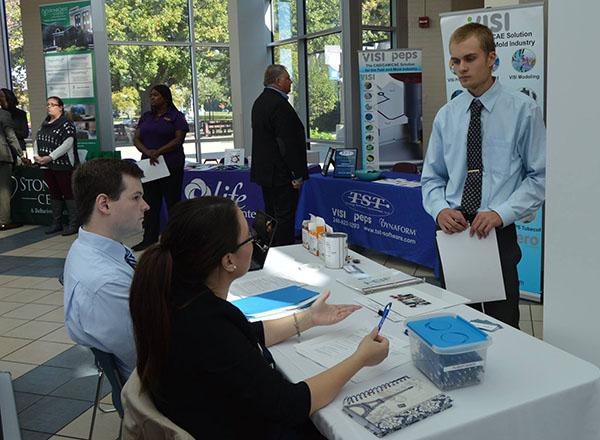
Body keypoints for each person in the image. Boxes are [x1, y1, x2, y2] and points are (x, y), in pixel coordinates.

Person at [129, 197, 389, 439]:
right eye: (248, 237)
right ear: (228, 260)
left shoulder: (180, 300)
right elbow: (291, 404)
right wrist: (360, 358)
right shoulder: (208, 326)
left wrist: (309, 318)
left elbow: (247, 335)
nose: (254, 241)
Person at [421, 23, 546, 328]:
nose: (461, 68)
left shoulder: (523, 111)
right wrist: (439, 210)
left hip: (496, 234)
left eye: (469, 58)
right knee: (456, 323)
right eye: (455, 60)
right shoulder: (447, 115)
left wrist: (500, 213)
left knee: (503, 326)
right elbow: (432, 178)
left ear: (492, 58)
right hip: (453, 234)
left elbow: (540, 176)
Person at [63, 158, 149, 379]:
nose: (145, 206)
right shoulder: (105, 283)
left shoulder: (96, 245)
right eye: (136, 198)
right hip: (150, 385)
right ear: (104, 204)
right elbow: (147, 356)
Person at [251, 64, 308, 246]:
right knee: (284, 218)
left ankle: (269, 251)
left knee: (272, 216)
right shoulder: (279, 105)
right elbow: (286, 144)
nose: (290, 81)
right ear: (277, 81)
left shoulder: (259, 101)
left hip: (266, 173)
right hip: (282, 174)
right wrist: (296, 174)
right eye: (287, 78)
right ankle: (283, 254)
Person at [132, 84, 188, 251]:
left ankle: (175, 239)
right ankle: (149, 237)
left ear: (165, 97)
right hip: (149, 166)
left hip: (171, 164)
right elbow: (136, 138)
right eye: (151, 95)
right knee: (150, 203)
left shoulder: (176, 116)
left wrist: (159, 152)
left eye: (156, 95)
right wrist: (148, 152)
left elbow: (178, 139)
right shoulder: (147, 116)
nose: (152, 98)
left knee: (172, 203)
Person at [33, 96, 79, 236]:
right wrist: (36, 156)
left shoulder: (66, 123)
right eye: (48, 104)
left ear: (60, 107)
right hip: (46, 165)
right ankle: (56, 223)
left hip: (63, 164)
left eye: (53, 104)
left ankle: (74, 224)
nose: (49, 107)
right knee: (54, 193)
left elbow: (67, 143)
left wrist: (50, 157)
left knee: (68, 193)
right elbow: (37, 139)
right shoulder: (45, 123)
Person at [0, 107, 28, 231]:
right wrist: (21, 154)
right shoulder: (3, 114)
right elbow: (10, 135)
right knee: (4, 191)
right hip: (2, 157)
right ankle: (4, 221)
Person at [0, 88, 29, 153]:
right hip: (4, 150)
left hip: (18, 147)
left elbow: (25, 133)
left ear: (8, 97)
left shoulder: (20, 114)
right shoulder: (1, 113)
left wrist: (8, 132)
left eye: (2, 96)